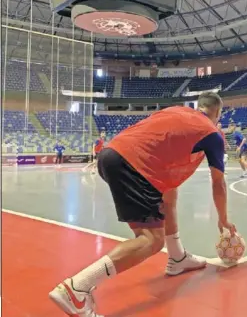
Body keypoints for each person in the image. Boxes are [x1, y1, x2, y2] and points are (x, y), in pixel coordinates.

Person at [49, 92, 237, 317]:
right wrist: (223, 219)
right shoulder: (212, 133)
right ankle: (76, 288)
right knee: (151, 239)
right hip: (132, 163)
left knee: (169, 193)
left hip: (112, 155)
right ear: (217, 113)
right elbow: (218, 183)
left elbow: (167, 186)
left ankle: (177, 258)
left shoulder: (177, 112)